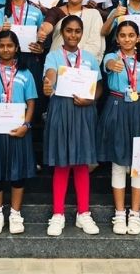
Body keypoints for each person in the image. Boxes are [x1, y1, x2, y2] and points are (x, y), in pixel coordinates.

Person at [42, 15, 103, 237]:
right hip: (61, 109)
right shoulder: (53, 56)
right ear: (62, 33)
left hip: (83, 110)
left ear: (82, 33)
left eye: (77, 31)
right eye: (69, 30)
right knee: (62, 163)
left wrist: (91, 99)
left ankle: (83, 213)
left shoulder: (89, 58)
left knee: (81, 163)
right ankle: (58, 213)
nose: (73, 35)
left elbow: (99, 86)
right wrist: (48, 84)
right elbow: (50, 75)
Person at [97, 20, 140, 236]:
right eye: (122, 35)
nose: (127, 39)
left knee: (139, 164)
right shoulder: (111, 57)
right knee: (118, 163)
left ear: (138, 37)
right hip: (116, 108)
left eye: (131, 35)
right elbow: (107, 65)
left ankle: (135, 213)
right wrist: (110, 65)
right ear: (117, 38)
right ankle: (119, 213)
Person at [0, 30, 37, 234]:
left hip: (18, 128)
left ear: (17, 48)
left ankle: (15, 213)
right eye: (1, 45)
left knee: (17, 172)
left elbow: (31, 102)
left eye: (9, 45)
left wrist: (26, 125)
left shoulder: (26, 73)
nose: (5, 49)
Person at [38, 0, 106, 61]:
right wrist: (43, 32)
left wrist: (79, 60)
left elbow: (94, 43)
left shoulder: (93, 14)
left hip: (84, 62)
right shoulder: (55, 11)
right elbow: (48, 23)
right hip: (59, 60)